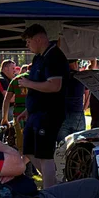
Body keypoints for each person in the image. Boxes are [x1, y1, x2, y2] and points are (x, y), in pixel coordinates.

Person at [18, 24, 68, 188]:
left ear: (39, 39)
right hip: (35, 113)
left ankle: (50, 192)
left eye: (29, 41)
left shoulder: (54, 56)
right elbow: (39, 86)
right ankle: (55, 183)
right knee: (29, 151)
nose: (28, 45)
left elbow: (55, 86)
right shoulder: (38, 58)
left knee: (45, 155)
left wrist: (28, 83)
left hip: (49, 113)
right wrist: (27, 109)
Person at [1, 70, 28, 153]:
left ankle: (23, 162)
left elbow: (6, 100)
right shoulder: (39, 79)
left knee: (21, 143)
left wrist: (4, 118)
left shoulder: (15, 80)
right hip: (35, 115)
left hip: (18, 115)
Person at [0, 59, 16, 125]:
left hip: (9, 109)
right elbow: (10, 99)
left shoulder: (8, 80)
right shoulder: (0, 80)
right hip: (0, 112)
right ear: (6, 69)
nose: (15, 71)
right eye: (13, 68)